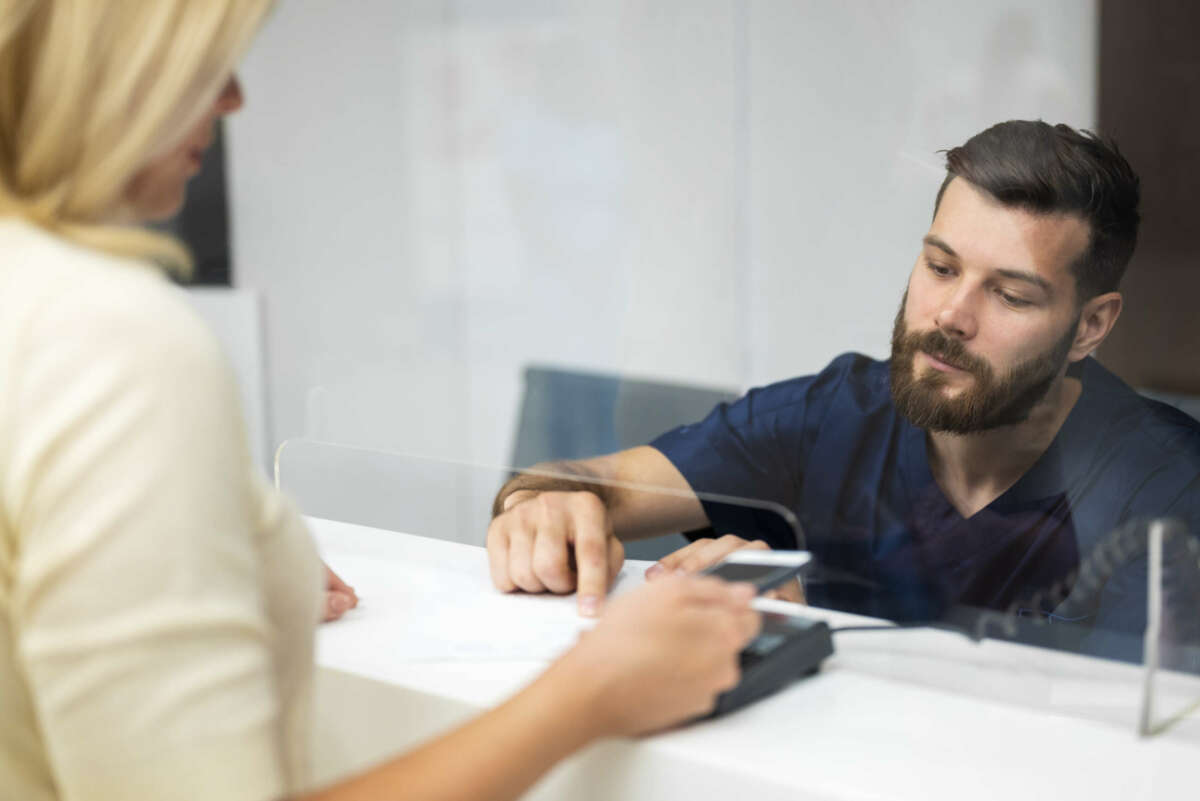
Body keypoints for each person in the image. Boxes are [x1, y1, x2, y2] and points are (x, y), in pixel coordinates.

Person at [0, 3, 761, 801]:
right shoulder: (112, 341)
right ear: (104, 69)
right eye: (204, 67)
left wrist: (220, 567)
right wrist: (592, 687)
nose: (233, 102)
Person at [487, 119, 1200, 659]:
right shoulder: (837, 413)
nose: (951, 316)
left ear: (1090, 325)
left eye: (1010, 295)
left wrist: (816, 632)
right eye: (941, 267)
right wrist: (544, 506)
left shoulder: (1166, 488)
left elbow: (1117, 752)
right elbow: (581, 484)